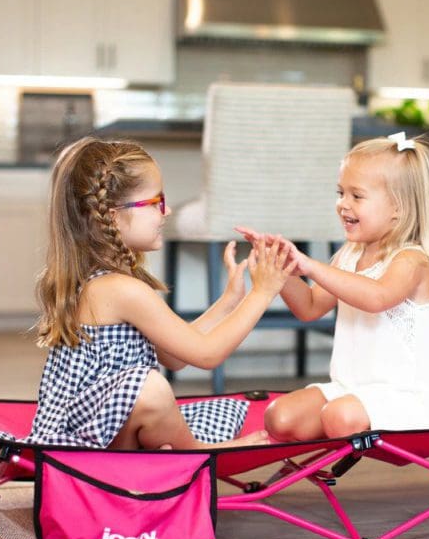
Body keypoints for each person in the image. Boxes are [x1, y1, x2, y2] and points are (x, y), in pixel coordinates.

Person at [28, 136, 294, 450]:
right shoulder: (119, 289)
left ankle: (161, 448)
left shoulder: (110, 281)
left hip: (103, 424)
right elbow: (206, 354)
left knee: (165, 395)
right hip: (86, 439)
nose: (165, 213)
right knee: (153, 389)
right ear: (113, 216)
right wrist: (261, 293)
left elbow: (174, 356)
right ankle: (196, 450)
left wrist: (229, 302)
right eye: (156, 203)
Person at [238, 132, 429, 441]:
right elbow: (309, 307)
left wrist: (310, 265)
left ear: (398, 209)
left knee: (339, 416)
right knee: (279, 417)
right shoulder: (349, 255)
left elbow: (376, 297)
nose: (342, 205)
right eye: (340, 193)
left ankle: (334, 444)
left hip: (405, 399)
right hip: (349, 390)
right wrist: (282, 267)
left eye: (356, 196)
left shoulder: (412, 261)